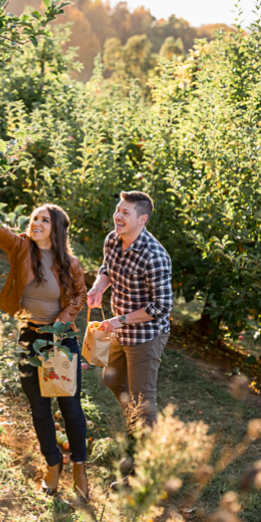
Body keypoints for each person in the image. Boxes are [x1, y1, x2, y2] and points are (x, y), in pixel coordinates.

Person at [0, 203, 90, 499]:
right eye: (34, 218)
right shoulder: (22, 248)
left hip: (60, 340)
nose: (36, 223)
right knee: (39, 407)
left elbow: (80, 294)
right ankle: (53, 462)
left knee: (70, 407)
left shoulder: (70, 263)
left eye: (44, 220)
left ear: (57, 228)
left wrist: (62, 323)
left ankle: (79, 465)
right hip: (30, 337)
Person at [88, 191, 172, 454]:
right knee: (112, 379)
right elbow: (106, 270)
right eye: (118, 210)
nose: (118, 216)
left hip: (146, 336)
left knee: (142, 401)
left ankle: (144, 467)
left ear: (142, 219)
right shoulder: (113, 240)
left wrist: (120, 320)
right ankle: (141, 427)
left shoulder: (154, 256)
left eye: (125, 212)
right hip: (119, 330)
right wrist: (98, 288)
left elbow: (161, 306)